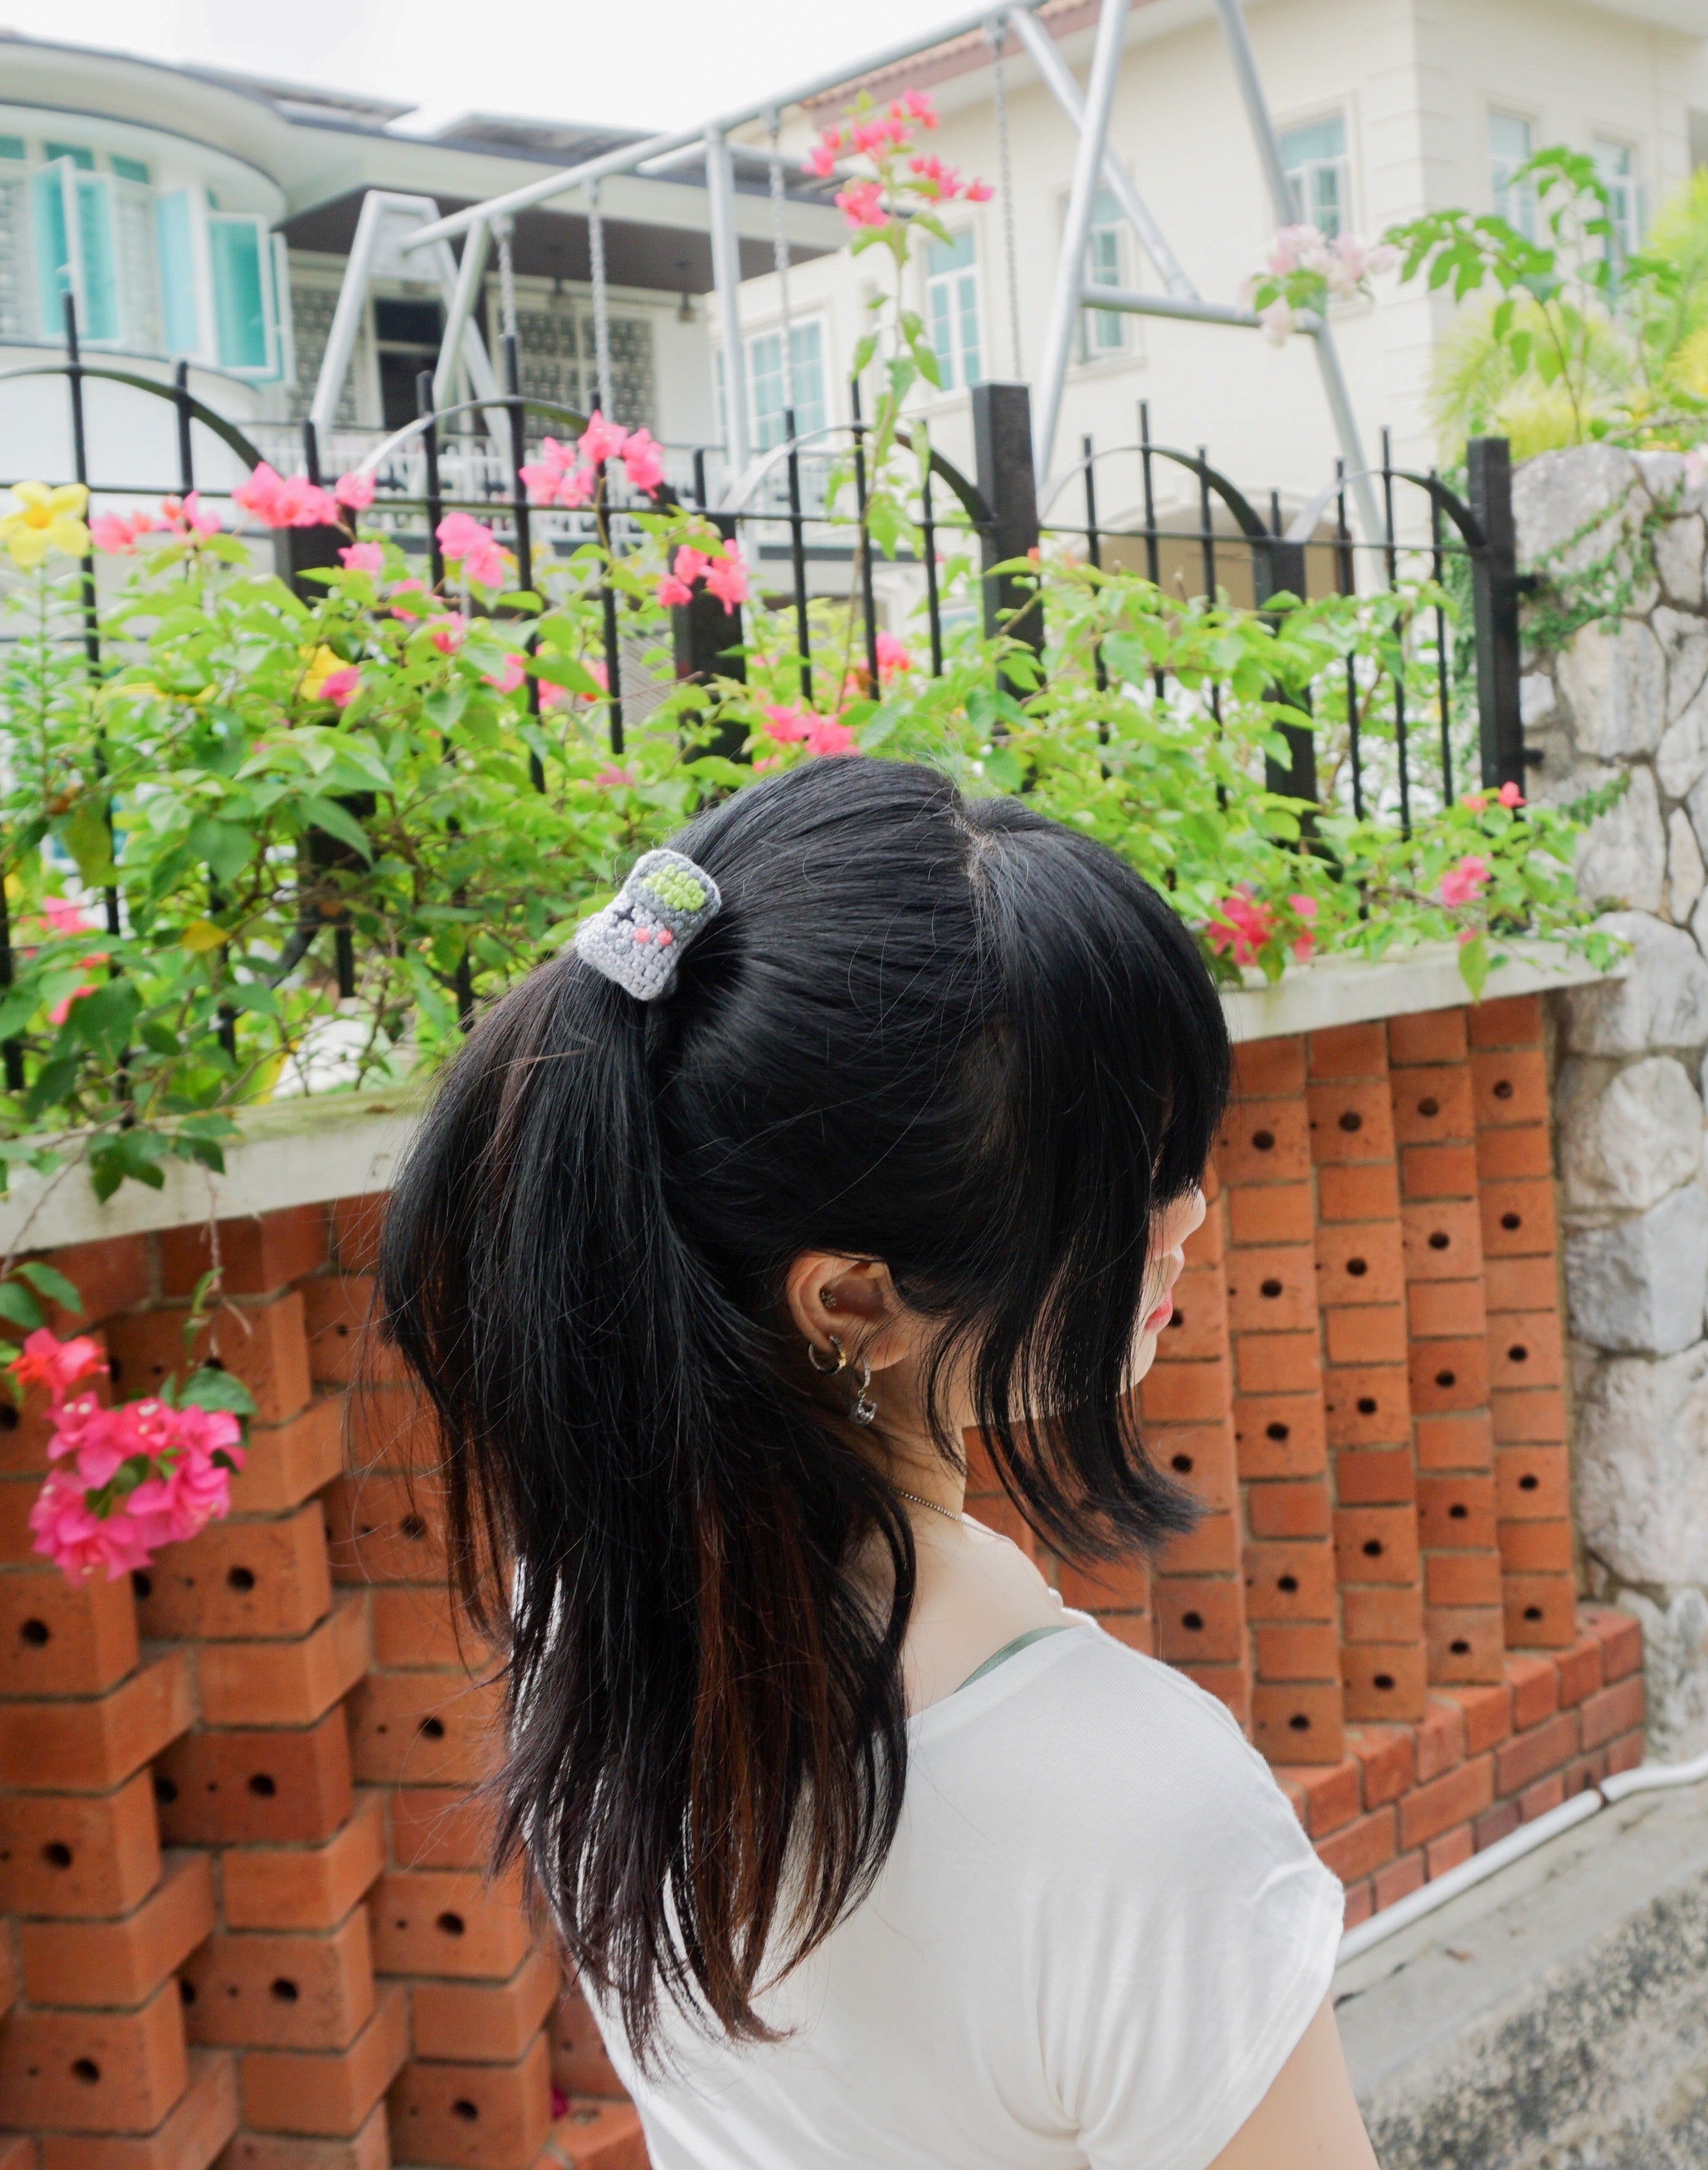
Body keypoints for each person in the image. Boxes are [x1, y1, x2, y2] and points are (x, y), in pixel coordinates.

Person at [380, 756, 1377, 2169]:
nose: (1189, 1210)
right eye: (1122, 1180)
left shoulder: (596, 1612)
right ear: (850, 1298)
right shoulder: (1135, 1809)